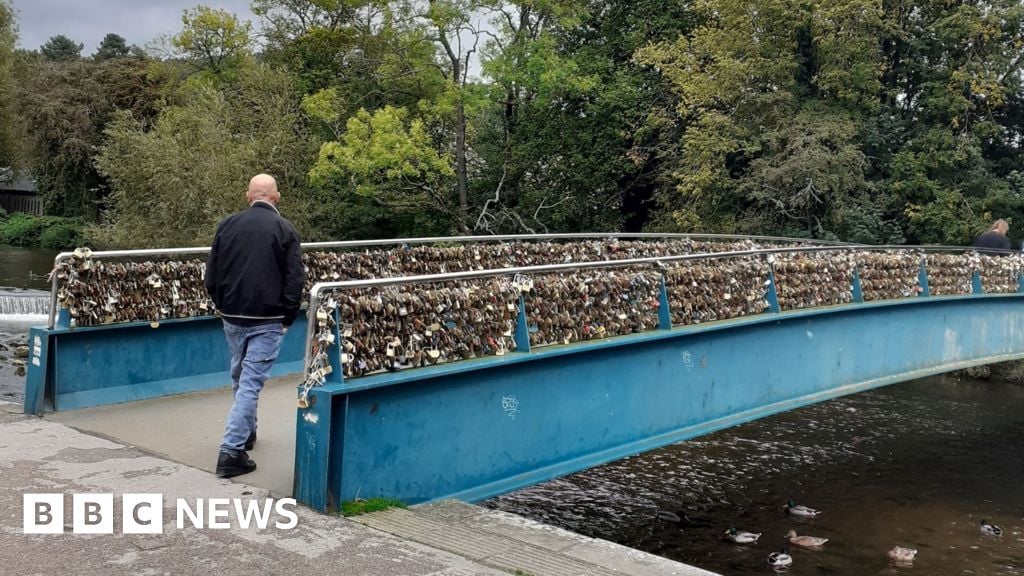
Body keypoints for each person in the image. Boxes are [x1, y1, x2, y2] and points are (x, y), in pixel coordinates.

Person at [205, 174, 305, 478]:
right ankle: (231, 451)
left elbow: (211, 274)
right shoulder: (285, 230)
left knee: (240, 377)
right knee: (250, 383)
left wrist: (223, 304)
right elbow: (294, 280)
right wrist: (288, 317)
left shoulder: (227, 225)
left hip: (233, 317)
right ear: (276, 197)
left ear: (249, 196)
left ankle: (247, 434)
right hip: (267, 320)